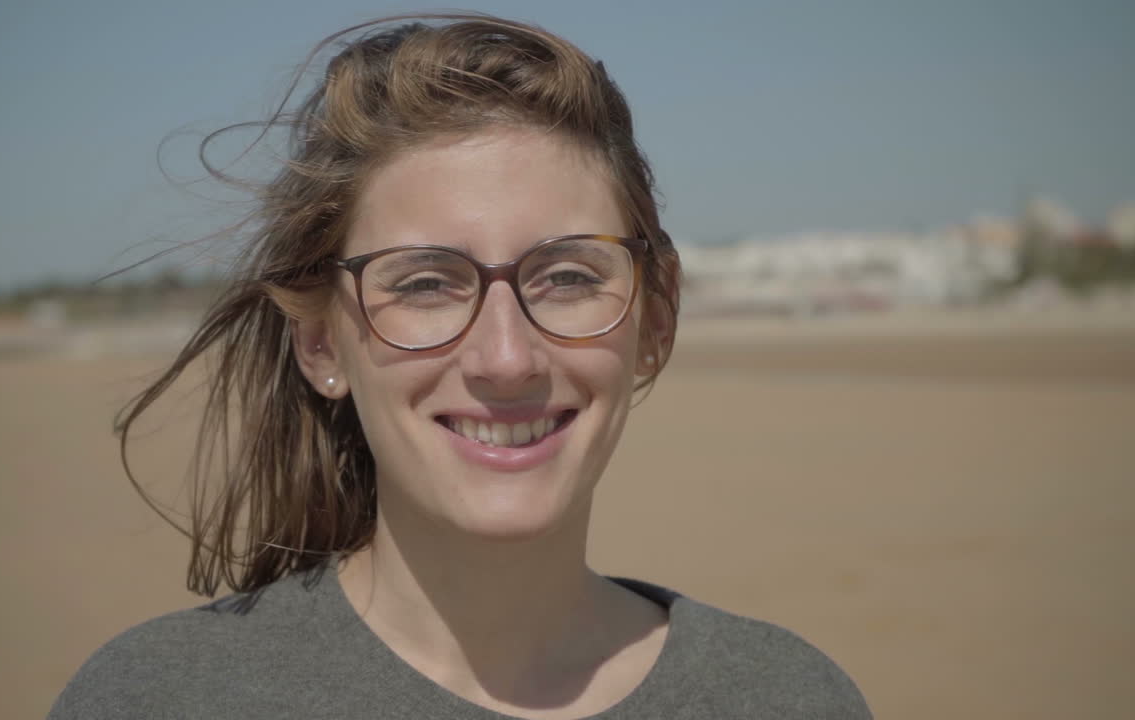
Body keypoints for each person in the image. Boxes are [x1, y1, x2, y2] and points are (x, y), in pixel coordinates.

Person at [49, 13, 871, 720]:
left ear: (655, 320)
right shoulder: (159, 697)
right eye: (425, 284)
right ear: (321, 344)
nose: (506, 359)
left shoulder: (787, 697)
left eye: (568, 277)